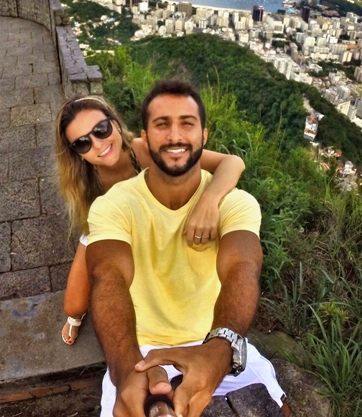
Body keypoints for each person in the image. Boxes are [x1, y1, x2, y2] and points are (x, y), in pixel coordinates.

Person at [86, 80, 285, 417]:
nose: (175, 136)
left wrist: (220, 349)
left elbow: (242, 266)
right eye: (162, 124)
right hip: (141, 349)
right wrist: (125, 365)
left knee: (277, 406)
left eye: (187, 124)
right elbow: (108, 276)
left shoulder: (235, 203)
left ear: (204, 136)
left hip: (213, 339)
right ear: (145, 138)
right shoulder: (114, 206)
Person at [55, 94, 246, 345]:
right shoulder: (83, 180)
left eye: (101, 130)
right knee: (74, 305)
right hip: (109, 226)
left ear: (115, 124)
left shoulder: (142, 151)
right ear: (77, 153)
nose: (98, 144)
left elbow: (232, 162)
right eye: (82, 143)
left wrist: (208, 202)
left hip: (155, 217)